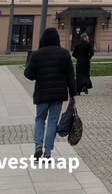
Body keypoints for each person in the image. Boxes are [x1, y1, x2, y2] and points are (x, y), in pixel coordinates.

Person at [24, 28, 75, 160]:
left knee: (40, 119)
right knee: (53, 121)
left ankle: (38, 146)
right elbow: (70, 75)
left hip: (42, 93)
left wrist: (38, 73)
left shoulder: (37, 55)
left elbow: (28, 74)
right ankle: (48, 152)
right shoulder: (64, 54)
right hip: (58, 94)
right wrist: (73, 93)